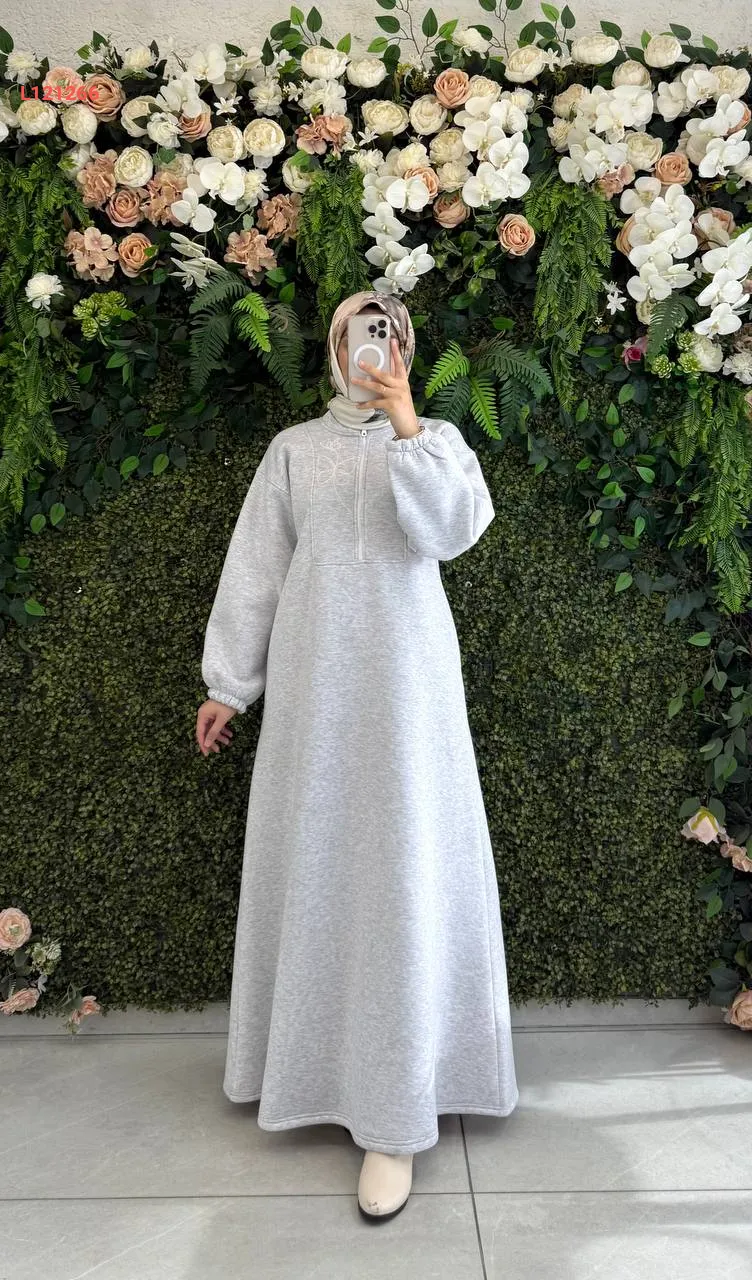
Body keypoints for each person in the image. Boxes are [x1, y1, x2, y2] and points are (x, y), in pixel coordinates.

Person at [196, 290, 519, 1223]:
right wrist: (229, 684)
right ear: (335, 348)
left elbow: (453, 531)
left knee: (406, 869)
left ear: (405, 348)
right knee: (322, 864)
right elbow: (256, 568)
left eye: (386, 336)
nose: (369, 351)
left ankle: (397, 1109)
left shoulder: (439, 443)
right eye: (355, 336)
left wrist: (408, 424)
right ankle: (311, 1069)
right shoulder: (294, 450)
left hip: (409, 696)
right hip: (316, 693)